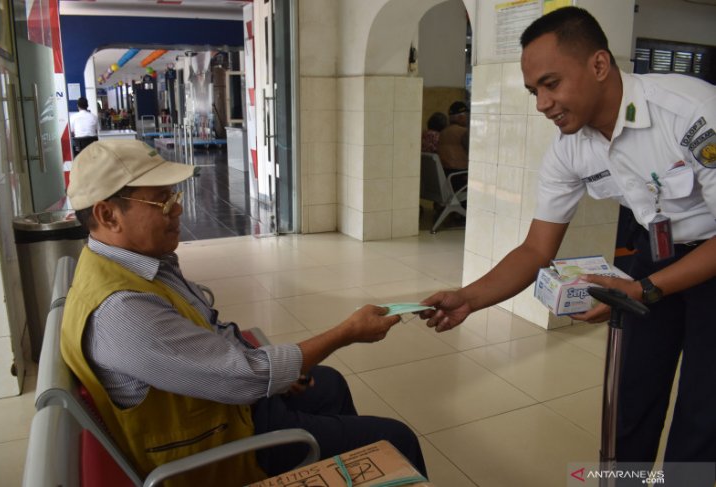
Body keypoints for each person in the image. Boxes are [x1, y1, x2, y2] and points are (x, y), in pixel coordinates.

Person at [421, 6, 716, 485]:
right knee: (630, 394)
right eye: (534, 91)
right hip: (658, 250)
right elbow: (536, 250)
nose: (542, 104)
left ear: (599, 65)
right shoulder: (569, 149)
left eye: (551, 84)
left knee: (703, 413)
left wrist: (646, 289)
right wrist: (468, 299)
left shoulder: (688, 112)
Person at [61, 140, 425, 486]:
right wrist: (346, 332)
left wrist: (279, 370)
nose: (178, 209)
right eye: (162, 201)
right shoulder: (122, 310)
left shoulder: (142, 264)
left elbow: (212, 334)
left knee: (328, 383)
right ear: (108, 215)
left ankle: (347, 470)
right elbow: (244, 378)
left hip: (221, 408)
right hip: (219, 447)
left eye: (175, 196)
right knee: (395, 440)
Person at [437, 101, 470, 192]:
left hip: (446, 176)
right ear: (461, 117)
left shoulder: (442, 133)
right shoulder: (463, 132)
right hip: (460, 178)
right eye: (467, 116)